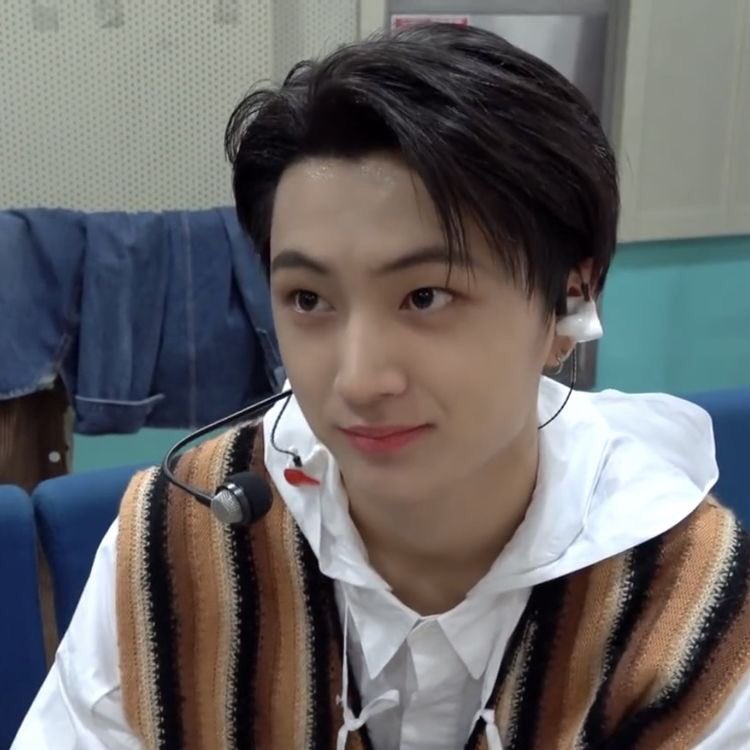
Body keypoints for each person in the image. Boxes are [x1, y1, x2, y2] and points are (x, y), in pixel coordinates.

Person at [13, 22, 750, 750]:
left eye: (425, 297)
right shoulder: (177, 542)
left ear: (570, 302)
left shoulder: (686, 603)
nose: (359, 381)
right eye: (308, 299)